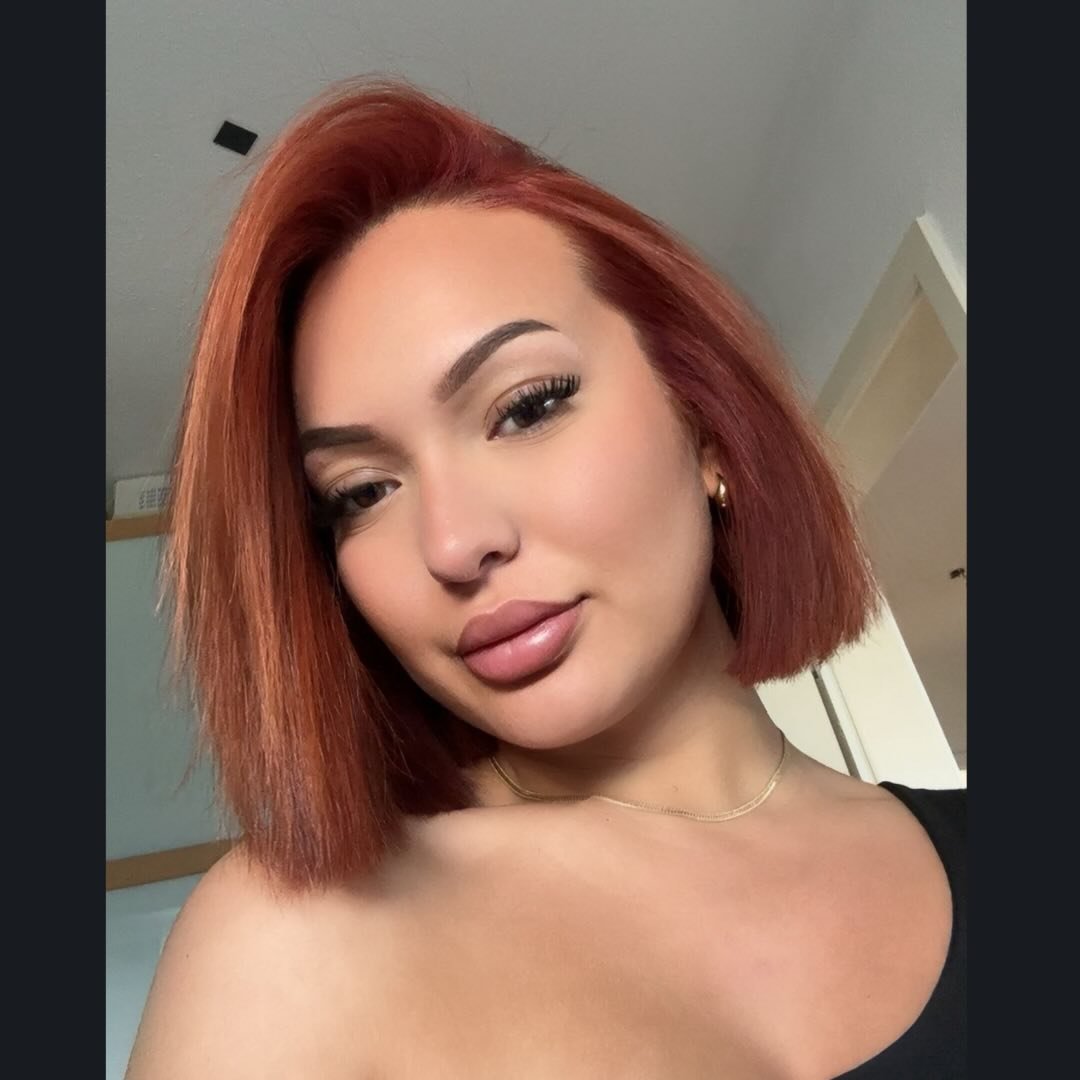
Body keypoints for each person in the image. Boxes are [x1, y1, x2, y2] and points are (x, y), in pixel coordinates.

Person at [126, 76, 965, 1079]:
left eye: (525, 407)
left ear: (706, 426)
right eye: (362, 493)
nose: (453, 544)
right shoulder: (289, 943)